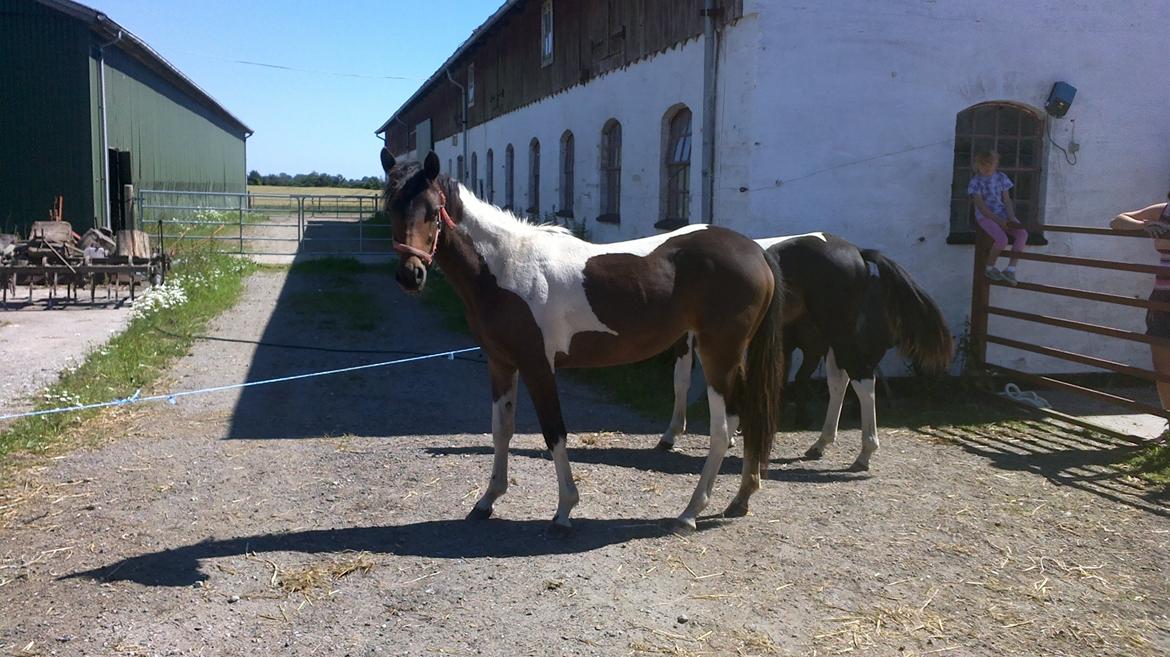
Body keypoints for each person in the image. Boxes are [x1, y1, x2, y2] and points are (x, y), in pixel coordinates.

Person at [1110, 191, 1170, 439]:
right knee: (1162, 364)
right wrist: (1146, 225)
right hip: (1163, 296)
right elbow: (1117, 221)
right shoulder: (1164, 210)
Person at [969, 150, 1027, 285]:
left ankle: (1011, 269)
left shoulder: (1001, 178)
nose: (986, 167)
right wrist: (1000, 221)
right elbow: (982, 208)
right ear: (977, 166)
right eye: (982, 164)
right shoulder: (975, 182)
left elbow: (1007, 200)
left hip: (1003, 213)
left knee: (1022, 234)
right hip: (986, 216)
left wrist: (1011, 217)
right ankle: (989, 267)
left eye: (989, 164)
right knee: (1002, 239)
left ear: (995, 164)